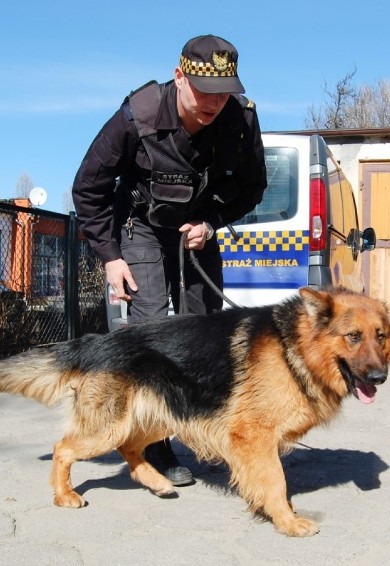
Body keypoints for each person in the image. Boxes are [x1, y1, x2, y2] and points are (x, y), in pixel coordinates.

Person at [71, 34, 267, 486]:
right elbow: (89, 187)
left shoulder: (240, 119)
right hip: (140, 226)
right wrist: (109, 256)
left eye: (224, 92)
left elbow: (253, 185)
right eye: (203, 90)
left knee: (205, 333)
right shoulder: (137, 116)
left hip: (195, 230)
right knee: (152, 330)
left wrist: (212, 221)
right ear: (179, 77)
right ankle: (155, 445)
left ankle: (204, 432)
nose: (214, 102)